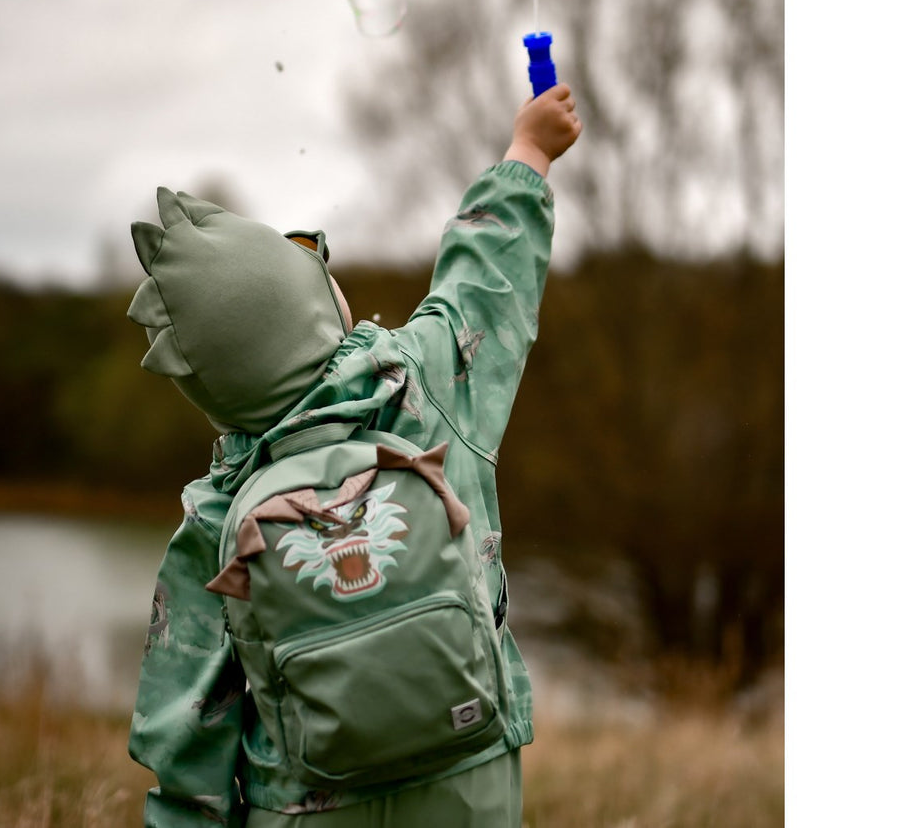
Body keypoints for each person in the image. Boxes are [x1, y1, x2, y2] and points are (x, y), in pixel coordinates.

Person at [127, 83, 583, 827]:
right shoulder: (423, 385)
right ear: (310, 310)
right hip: (468, 783)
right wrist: (528, 153)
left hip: (305, 808)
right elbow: (488, 278)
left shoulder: (216, 516)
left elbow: (184, 729)